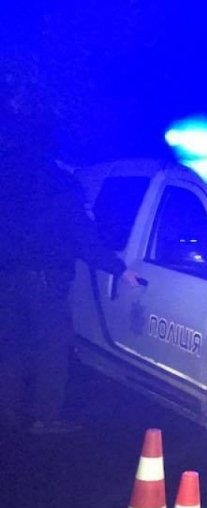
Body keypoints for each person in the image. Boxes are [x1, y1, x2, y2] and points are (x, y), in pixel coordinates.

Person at [0, 80, 138, 434]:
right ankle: (45, 418)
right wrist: (119, 268)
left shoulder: (7, 177)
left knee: (9, 347)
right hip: (44, 283)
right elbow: (82, 236)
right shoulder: (57, 185)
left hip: (7, 277)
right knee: (52, 349)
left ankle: (6, 414)